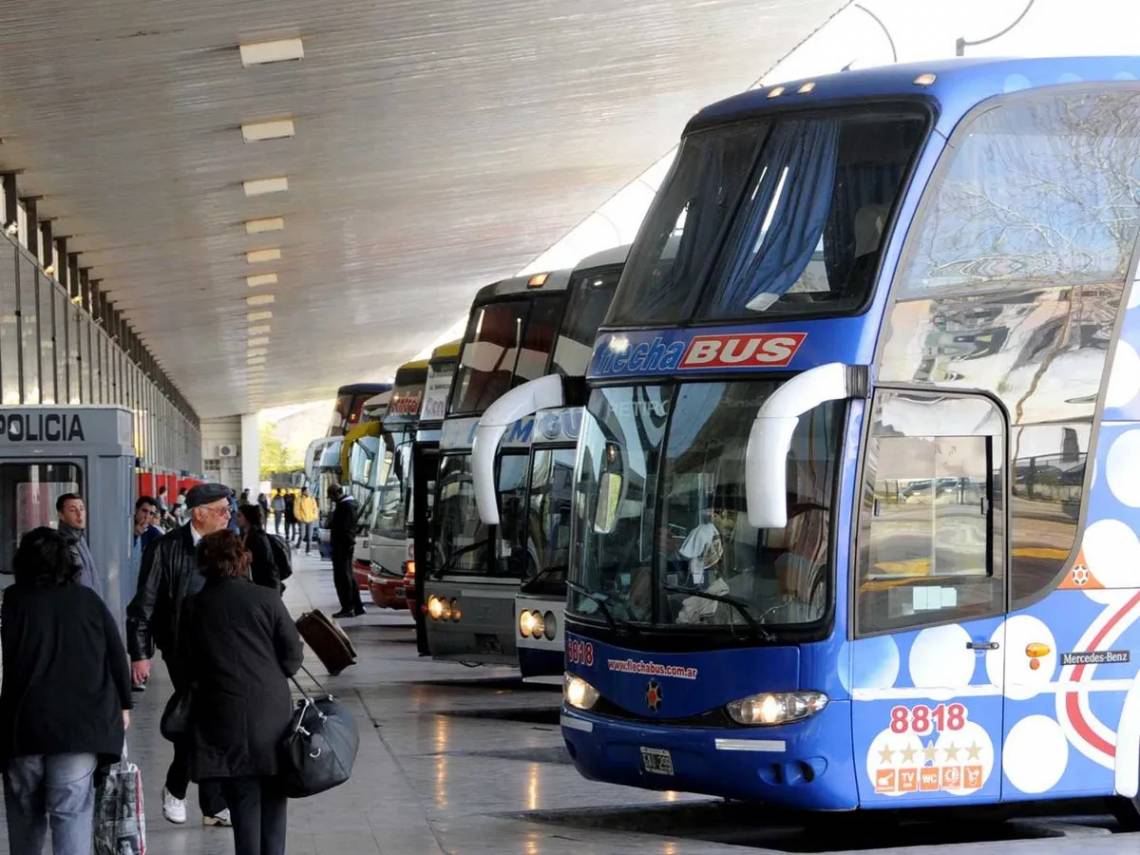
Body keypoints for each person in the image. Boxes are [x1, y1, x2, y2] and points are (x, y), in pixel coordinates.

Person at [0, 527, 132, 855]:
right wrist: (123, 706)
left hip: (24, 727)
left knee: (25, 816)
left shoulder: (14, 600)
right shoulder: (87, 600)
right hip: (79, 727)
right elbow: (116, 654)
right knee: (71, 814)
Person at [180, 530, 302, 855]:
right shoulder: (267, 598)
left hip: (222, 712)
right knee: (275, 795)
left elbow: (186, 663)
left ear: (204, 564)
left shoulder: (194, 606)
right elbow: (293, 658)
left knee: (242, 797)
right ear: (243, 559)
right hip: (271, 714)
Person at [126, 483, 233, 828]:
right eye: (221, 509)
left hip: (224, 648)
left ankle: (208, 803)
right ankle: (180, 789)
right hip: (182, 650)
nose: (228, 515)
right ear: (199, 513)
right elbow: (142, 607)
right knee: (202, 717)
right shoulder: (164, 549)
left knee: (210, 721)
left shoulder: (229, 546)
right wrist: (141, 654)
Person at [55, 493, 101, 599]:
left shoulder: (79, 538)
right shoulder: (64, 544)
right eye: (72, 510)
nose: (79, 514)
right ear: (61, 515)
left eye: (82, 509)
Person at [329, 484, 364, 617]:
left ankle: (347, 607)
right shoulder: (349, 505)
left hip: (341, 547)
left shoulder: (344, 507)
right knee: (349, 575)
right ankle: (357, 606)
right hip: (346, 546)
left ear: (336, 493)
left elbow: (343, 529)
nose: (331, 499)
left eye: (331, 496)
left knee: (342, 577)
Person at [236, 505, 280, 591]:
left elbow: (264, 561)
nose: (236, 518)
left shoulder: (258, 537)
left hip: (264, 584)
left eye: (239, 516)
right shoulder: (244, 534)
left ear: (247, 518)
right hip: (255, 581)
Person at [130, 496, 165, 583]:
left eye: (151, 513)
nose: (147, 516)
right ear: (136, 509)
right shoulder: (127, 525)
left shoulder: (152, 531)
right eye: (144, 511)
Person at [293, 487, 318, 555]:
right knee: (302, 535)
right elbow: (296, 510)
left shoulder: (312, 499)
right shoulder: (298, 499)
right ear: (303, 492)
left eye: (308, 491)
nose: (308, 492)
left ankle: (308, 551)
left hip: (311, 519)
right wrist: (300, 518)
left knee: (310, 536)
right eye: (306, 491)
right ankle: (298, 547)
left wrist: (314, 516)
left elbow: (315, 508)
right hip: (302, 520)